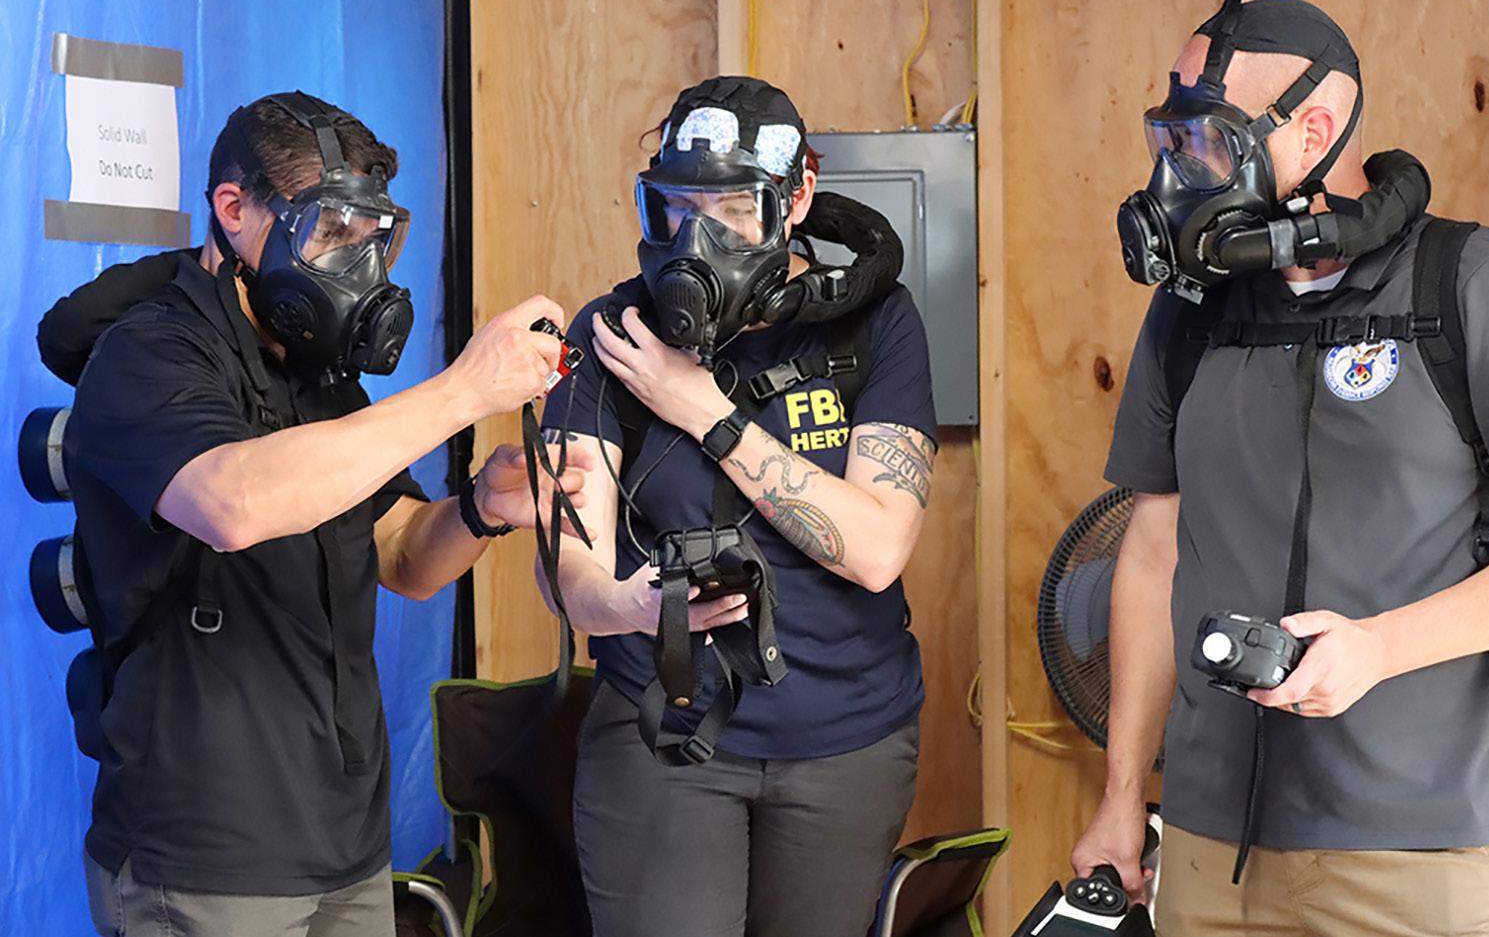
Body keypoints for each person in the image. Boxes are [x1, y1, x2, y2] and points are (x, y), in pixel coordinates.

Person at [1074, 0, 1489, 937]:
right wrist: (1122, 796)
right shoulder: (1189, 314)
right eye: (1170, 142)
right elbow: (1152, 554)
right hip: (1208, 849)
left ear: (1313, 129)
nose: (1177, 174)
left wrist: (1380, 649)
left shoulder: (1472, 284)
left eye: (1209, 142)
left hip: (1422, 856)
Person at [49, 91, 581, 937]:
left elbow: (402, 552)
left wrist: (481, 508)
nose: (355, 264)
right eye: (331, 232)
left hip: (347, 846)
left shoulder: (319, 377)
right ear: (235, 210)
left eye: (370, 238)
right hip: (206, 859)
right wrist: (464, 390)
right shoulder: (147, 354)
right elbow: (234, 501)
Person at [536, 76, 938, 937]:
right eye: (677, 209)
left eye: (732, 211)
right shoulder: (611, 335)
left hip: (847, 741)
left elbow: (876, 549)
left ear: (797, 197)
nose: (699, 238)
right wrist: (632, 606)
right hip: (662, 732)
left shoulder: (877, 324)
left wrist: (707, 414)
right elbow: (571, 570)